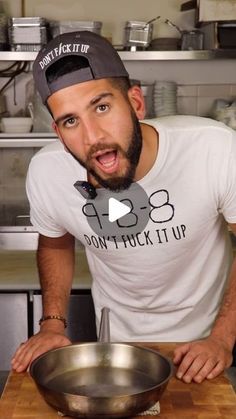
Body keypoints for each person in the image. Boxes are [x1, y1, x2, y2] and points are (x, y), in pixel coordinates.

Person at [11, 30, 236, 384]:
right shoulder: (48, 171)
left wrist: (223, 337)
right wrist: (52, 323)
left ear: (135, 102)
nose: (92, 136)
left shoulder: (214, 148)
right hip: (117, 348)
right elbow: (55, 241)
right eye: (71, 120)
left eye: (102, 107)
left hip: (206, 346)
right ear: (57, 131)